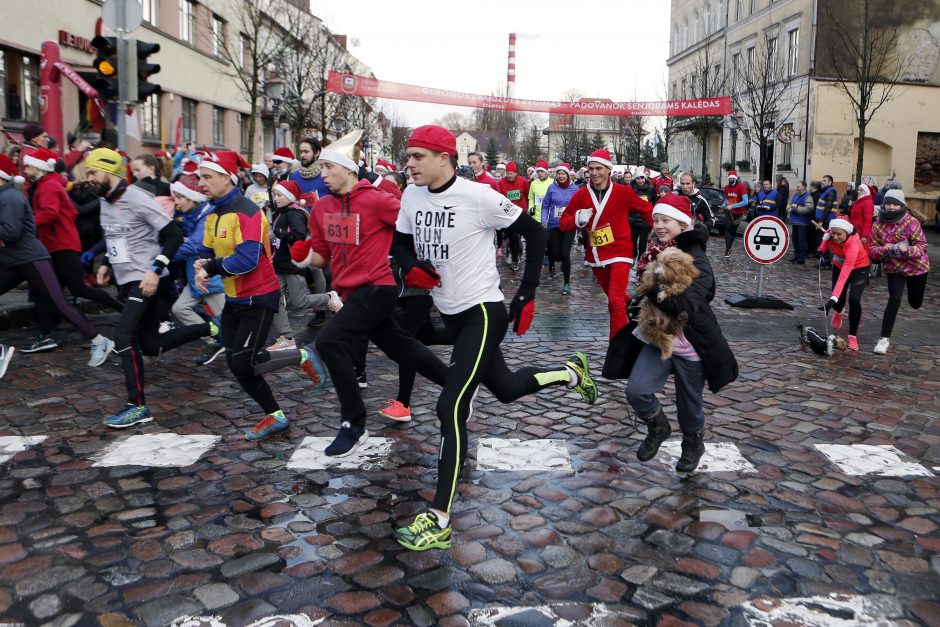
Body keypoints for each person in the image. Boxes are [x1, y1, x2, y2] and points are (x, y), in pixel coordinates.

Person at [390, 125, 598, 551]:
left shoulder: (479, 196)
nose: (408, 163)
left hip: (484, 313)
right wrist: (408, 267)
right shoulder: (411, 196)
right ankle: (570, 374)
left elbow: (536, 233)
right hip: (448, 309)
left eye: (416, 156)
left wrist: (526, 293)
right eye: (407, 156)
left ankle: (439, 518)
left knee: (450, 404)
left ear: (444, 158)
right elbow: (400, 244)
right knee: (505, 389)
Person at [193, 150, 325, 440]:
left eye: (207, 177)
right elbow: (206, 249)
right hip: (235, 298)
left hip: (259, 296)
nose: (201, 183)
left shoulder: (246, 211)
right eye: (199, 177)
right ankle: (275, 415)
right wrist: (201, 264)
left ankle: (302, 354)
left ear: (227, 179)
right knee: (237, 362)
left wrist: (211, 268)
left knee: (243, 361)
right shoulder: (213, 214)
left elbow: (247, 260)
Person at [84, 148, 218, 427]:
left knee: (122, 336)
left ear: (109, 172)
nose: (88, 178)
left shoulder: (136, 198)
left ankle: (137, 406)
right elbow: (116, 237)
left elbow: (173, 234)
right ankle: (211, 328)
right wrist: (107, 263)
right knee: (150, 344)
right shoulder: (106, 201)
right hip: (128, 278)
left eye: (92, 172)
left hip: (147, 279)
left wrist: (155, 269)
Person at [622, 193, 737, 473]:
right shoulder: (653, 250)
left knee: (689, 405)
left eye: (667, 221)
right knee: (637, 391)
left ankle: (693, 443)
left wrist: (652, 291)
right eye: (657, 220)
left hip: (691, 343)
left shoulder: (696, 258)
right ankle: (658, 427)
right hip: (658, 338)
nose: (660, 226)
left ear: (683, 224)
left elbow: (689, 303)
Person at [0, 153, 114, 369]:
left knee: (60, 304)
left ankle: (100, 341)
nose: (26, 170)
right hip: (12, 260)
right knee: (54, 301)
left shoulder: (10, 198)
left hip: (32, 258)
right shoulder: (5, 195)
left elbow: (11, 232)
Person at [21, 148, 123, 353]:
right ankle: (45, 335)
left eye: (29, 165)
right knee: (48, 293)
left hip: (61, 245)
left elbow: (50, 213)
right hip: (57, 244)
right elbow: (69, 211)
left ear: (40, 167)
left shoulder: (48, 186)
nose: (25, 169)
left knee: (78, 289)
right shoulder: (47, 184)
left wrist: (27, 224)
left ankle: (124, 311)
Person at [559, 149, 653, 339]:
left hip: (620, 251)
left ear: (608, 170)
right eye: (591, 168)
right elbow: (563, 223)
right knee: (616, 299)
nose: (594, 173)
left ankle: (616, 349)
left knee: (614, 301)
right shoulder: (581, 194)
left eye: (599, 168)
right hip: (596, 255)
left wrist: (663, 231)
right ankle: (641, 310)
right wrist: (577, 218)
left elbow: (647, 210)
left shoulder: (623, 192)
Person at [267, 179, 339, 350]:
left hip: (292, 265)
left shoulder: (295, 213)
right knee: (273, 299)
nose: (276, 198)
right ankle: (287, 337)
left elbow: (299, 237)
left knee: (299, 302)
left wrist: (279, 233)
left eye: (279, 195)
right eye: (275, 195)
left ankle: (329, 297)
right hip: (279, 264)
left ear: (289, 196)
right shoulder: (280, 213)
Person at [168, 173, 227, 365]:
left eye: (180, 197)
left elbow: (193, 246)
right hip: (196, 278)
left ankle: (245, 358)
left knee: (230, 322)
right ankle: (213, 339)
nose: (176, 202)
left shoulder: (208, 215)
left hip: (212, 278)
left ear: (192, 198)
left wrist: (162, 256)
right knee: (180, 308)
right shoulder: (187, 215)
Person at [868, 189, 930, 355]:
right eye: (888, 203)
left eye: (895, 204)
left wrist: (906, 249)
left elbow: (922, 247)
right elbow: (872, 250)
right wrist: (883, 250)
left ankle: (915, 299)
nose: (891, 207)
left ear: (902, 205)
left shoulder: (911, 222)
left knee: (914, 303)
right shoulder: (877, 224)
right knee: (894, 299)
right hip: (895, 268)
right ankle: (883, 339)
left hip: (917, 268)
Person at [818, 217, 871, 351]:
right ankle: (839, 311)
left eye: (839, 234)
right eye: (833, 233)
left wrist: (832, 298)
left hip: (859, 267)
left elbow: (844, 275)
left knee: (854, 299)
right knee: (839, 301)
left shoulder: (853, 245)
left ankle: (852, 335)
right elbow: (825, 239)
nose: (835, 237)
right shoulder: (831, 233)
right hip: (838, 264)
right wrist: (821, 250)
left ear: (847, 232)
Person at [541, 163, 578, 292]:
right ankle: (555, 262)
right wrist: (543, 221)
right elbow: (545, 205)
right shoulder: (552, 188)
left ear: (568, 175)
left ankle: (566, 284)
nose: (561, 176)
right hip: (554, 224)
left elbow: (580, 205)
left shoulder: (575, 189)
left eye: (563, 173)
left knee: (565, 253)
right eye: (559, 173)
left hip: (569, 225)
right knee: (556, 255)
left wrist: (579, 220)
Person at [495, 162, 529, 272]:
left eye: (511, 173)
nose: (509, 175)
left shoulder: (523, 181)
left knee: (515, 236)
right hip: (506, 215)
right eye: (507, 173)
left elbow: (528, 195)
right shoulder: (501, 183)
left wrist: (527, 209)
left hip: (519, 214)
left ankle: (515, 259)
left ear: (516, 173)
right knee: (508, 236)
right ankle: (514, 251)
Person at [630, 167, 656, 264]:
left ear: (645, 178)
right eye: (638, 178)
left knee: (642, 244)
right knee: (632, 242)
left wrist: (652, 218)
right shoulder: (631, 188)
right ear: (635, 179)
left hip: (645, 221)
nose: (640, 180)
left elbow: (655, 203)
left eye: (642, 178)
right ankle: (633, 258)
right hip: (633, 220)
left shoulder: (651, 188)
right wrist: (629, 218)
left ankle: (641, 261)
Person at [289, 137, 329, 201]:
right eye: (301, 152)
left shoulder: (326, 175)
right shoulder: (294, 176)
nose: (302, 155)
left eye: (306, 152)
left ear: (317, 153)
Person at [813, 175, 839, 269]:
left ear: (830, 182)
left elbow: (827, 208)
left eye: (825, 180)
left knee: (824, 241)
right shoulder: (826, 191)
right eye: (822, 180)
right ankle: (824, 261)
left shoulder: (830, 192)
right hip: (824, 220)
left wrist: (821, 221)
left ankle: (826, 262)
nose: (822, 182)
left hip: (826, 221)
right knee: (823, 241)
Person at [721, 171, 749, 256]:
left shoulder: (741, 187)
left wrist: (733, 206)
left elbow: (745, 201)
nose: (731, 181)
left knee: (733, 230)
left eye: (733, 179)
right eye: (730, 179)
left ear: (735, 179)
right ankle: (727, 249)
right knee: (728, 228)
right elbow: (727, 199)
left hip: (739, 213)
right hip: (729, 212)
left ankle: (729, 248)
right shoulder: (726, 188)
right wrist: (723, 206)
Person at [786, 180, 815, 264]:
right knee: (795, 240)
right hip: (794, 221)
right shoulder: (795, 195)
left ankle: (801, 258)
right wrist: (788, 208)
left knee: (801, 241)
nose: (797, 187)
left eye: (799, 186)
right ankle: (796, 255)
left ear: (804, 187)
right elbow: (789, 203)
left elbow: (809, 208)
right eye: (797, 186)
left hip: (802, 222)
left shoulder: (808, 197)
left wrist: (795, 210)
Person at [847, 183, 874, 249]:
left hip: (860, 231)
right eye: (858, 189)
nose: (858, 191)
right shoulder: (860, 200)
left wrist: (864, 235)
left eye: (861, 190)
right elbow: (855, 213)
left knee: (860, 250)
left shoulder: (868, 202)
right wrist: (850, 207)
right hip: (855, 230)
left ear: (866, 191)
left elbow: (868, 220)